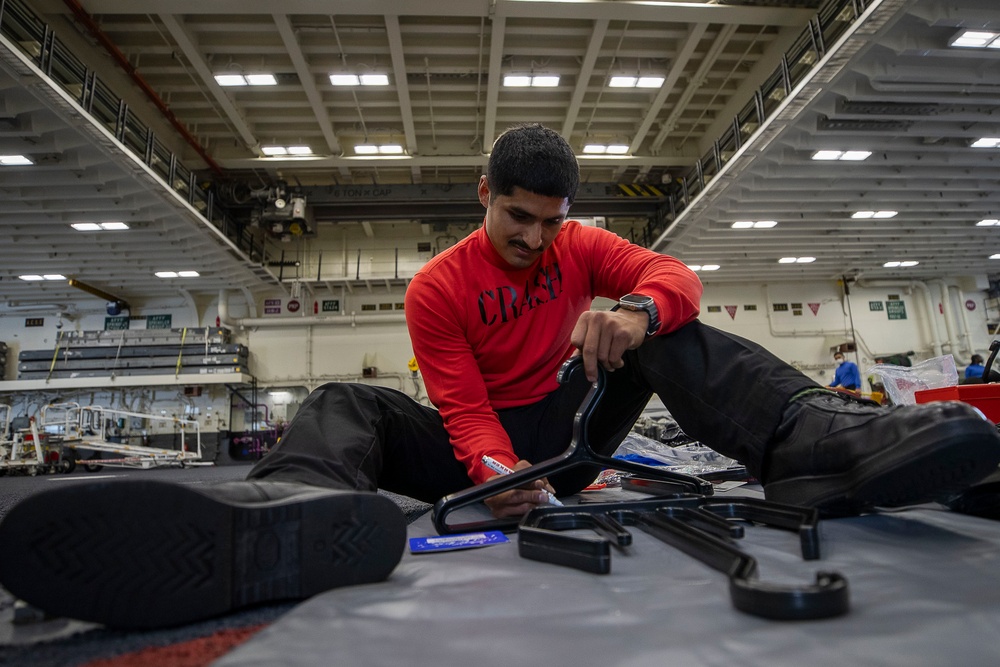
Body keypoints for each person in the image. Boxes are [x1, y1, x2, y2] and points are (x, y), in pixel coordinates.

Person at [2, 124, 999, 629]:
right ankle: (288, 513)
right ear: (482, 194)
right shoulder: (439, 286)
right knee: (345, 400)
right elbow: (461, 402)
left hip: (573, 433)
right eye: (515, 217)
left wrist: (634, 309)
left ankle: (810, 441)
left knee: (669, 327)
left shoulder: (584, 247)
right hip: (477, 450)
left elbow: (676, 276)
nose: (532, 239)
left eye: (550, 222)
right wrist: (492, 466)